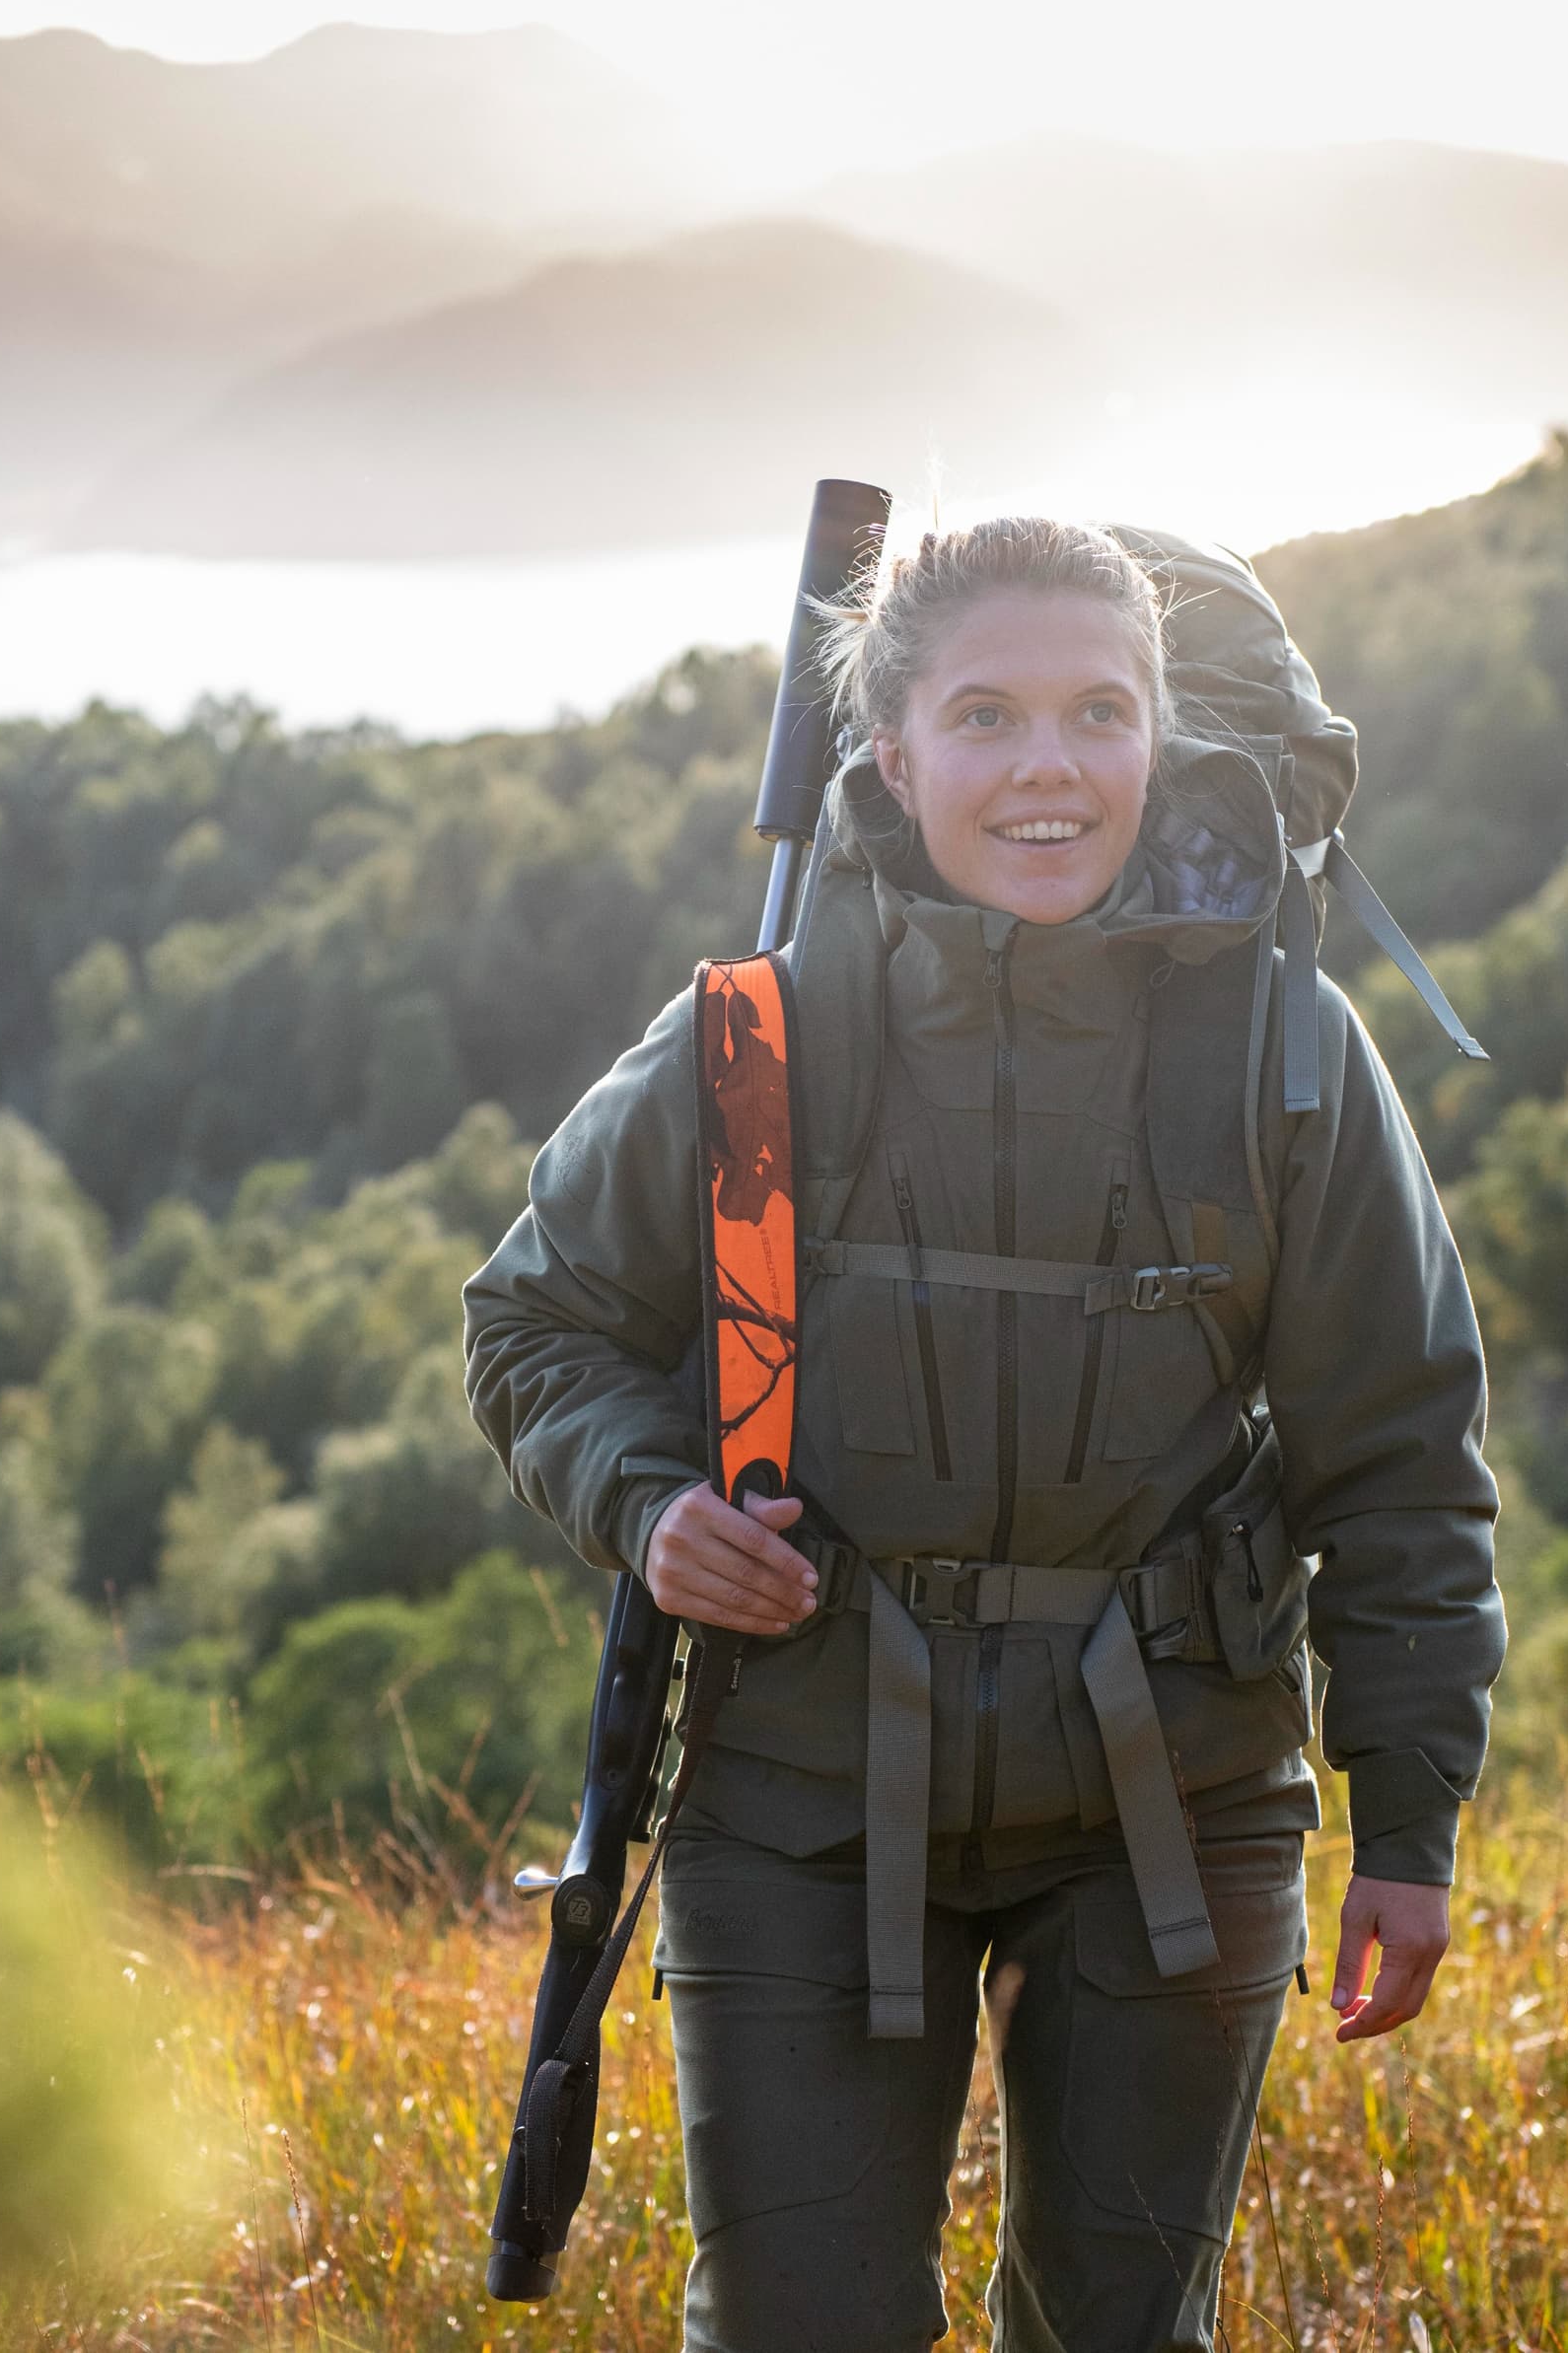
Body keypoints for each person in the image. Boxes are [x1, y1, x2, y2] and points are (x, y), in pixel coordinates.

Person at [463, 515, 1505, 2353]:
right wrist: (645, 1504)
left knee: (1118, 2332)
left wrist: (1406, 1818)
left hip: (1173, 1801)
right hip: (794, 1788)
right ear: (891, 751)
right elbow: (534, 1323)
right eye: (988, 717)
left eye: (1100, 712)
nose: (1048, 767)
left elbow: (1402, 1454)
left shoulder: (1285, 1049)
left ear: (1162, 733)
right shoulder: (758, 1045)